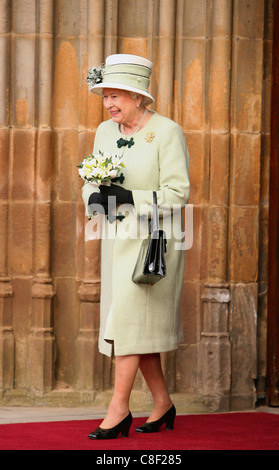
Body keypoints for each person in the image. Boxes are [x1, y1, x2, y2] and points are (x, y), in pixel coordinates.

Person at [82, 54, 190, 439]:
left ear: (139, 97)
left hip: (154, 245)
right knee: (136, 326)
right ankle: (163, 404)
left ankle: (118, 410)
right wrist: (92, 197)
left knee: (126, 323)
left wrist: (131, 196)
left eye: (117, 96)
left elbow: (178, 194)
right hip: (117, 242)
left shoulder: (166, 132)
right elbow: (91, 176)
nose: (109, 103)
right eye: (105, 95)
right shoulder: (104, 131)